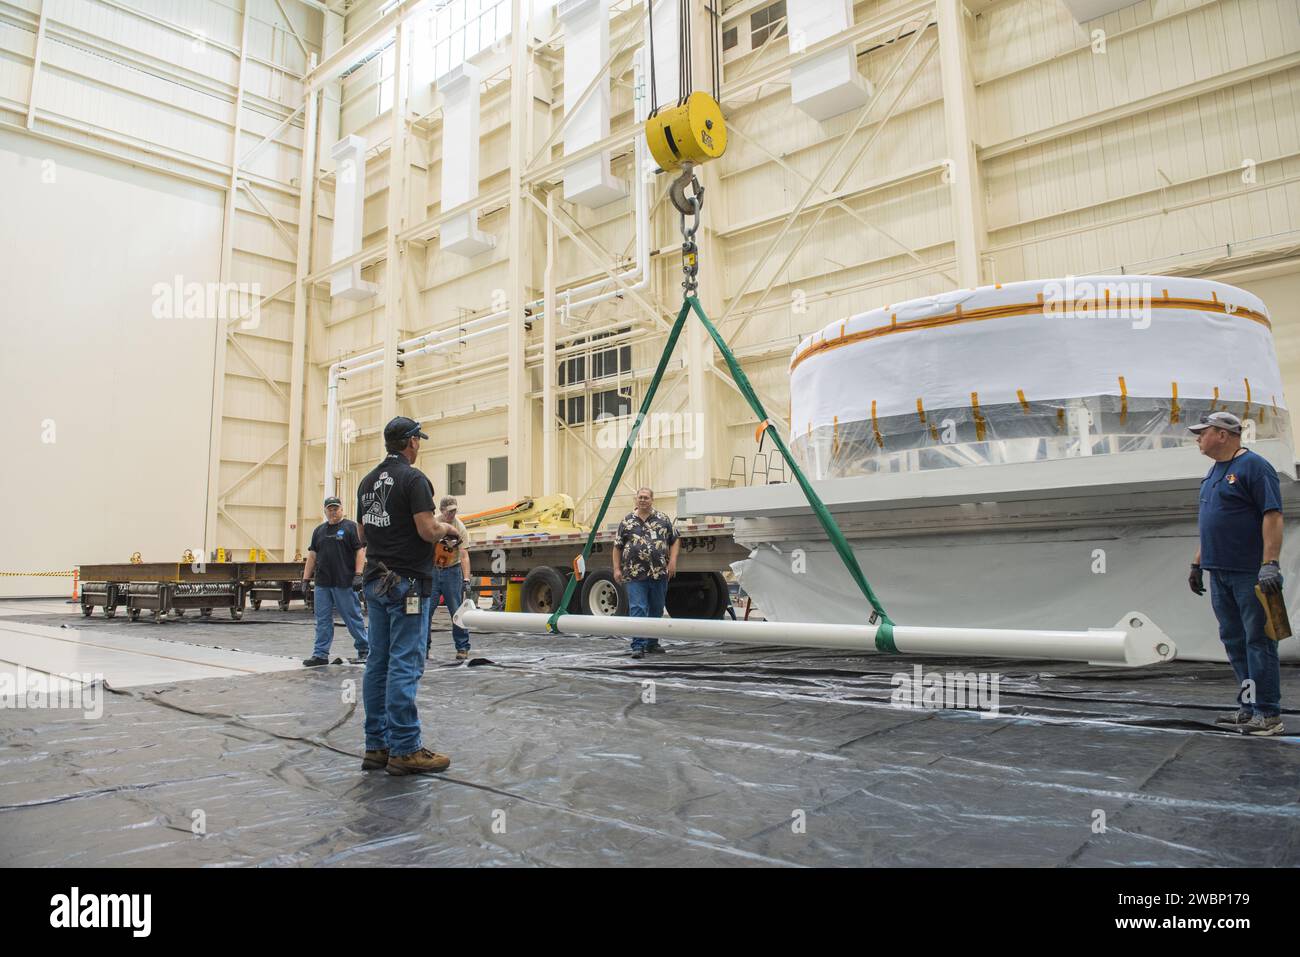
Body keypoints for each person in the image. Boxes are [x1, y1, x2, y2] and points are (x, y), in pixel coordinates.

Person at [356, 416, 457, 774]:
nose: (419, 445)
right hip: (408, 584)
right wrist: (448, 528)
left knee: (378, 662)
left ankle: (377, 746)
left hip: (375, 579)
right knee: (405, 662)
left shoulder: (366, 482)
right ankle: (405, 748)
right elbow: (428, 530)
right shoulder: (414, 479)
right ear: (411, 442)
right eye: (418, 440)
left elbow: (363, 533)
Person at [1187, 411, 1286, 736]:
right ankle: (1248, 707)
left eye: (1203, 432)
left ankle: (1268, 713)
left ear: (1223, 434)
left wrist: (1270, 563)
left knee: (1259, 640)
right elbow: (1211, 523)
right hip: (1220, 572)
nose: (1198, 438)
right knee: (1234, 641)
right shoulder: (1213, 473)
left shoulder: (1254, 467)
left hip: (1250, 574)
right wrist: (1198, 563)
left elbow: (1272, 515)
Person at [613, 487, 680, 659]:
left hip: (659, 573)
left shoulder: (663, 519)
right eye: (640, 497)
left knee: (656, 609)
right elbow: (617, 546)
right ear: (636, 499)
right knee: (638, 608)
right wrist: (616, 568)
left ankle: (652, 643)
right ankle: (638, 645)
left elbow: (675, 539)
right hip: (634, 575)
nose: (643, 500)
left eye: (646, 497)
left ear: (652, 500)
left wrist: (672, 561)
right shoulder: (627, 521)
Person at [301, 497, 367, 667]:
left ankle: (364, 648)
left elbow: (360, 551)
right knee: (322, 619)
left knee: (352, 617)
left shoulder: (350, 527)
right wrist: (306, 579)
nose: (333, 511)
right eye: (330, 509)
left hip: (344, 582)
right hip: (323, 583)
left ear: (342, 509)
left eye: (336, 508)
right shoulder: (319, 531)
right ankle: (320, 654)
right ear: (325, 511)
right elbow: (313, 555)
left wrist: (358, 574)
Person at [430, 495, 474, 661]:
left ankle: (462, 647)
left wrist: (466, 579)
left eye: (454, 511)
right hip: (433, 570)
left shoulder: (459, 527)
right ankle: (423, 647)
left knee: (456, 610)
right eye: (449, 512)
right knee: (427, 611)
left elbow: (464, 555)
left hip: (451, 571)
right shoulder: (433, 524)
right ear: (441, 511)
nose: (452, 514)